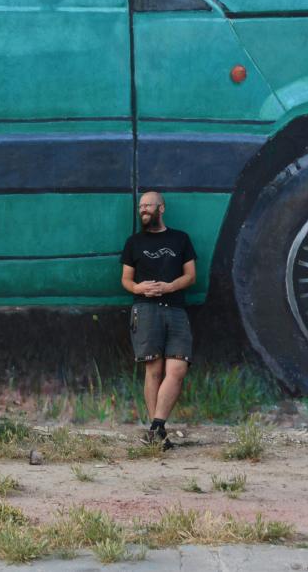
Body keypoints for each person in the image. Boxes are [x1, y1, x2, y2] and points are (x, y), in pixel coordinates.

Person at [121, 190, 197, 449]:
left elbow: (190, 276)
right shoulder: (133, 242)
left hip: (176, 308)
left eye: (148, 206)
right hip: (145, 309)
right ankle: (157, 432)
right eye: (141, 206)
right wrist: (139, 289)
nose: (143, 210)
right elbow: (126, 280)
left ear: (161, 208)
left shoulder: (180, 239)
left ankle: (156, 426)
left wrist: (170, 287)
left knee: (178, 368)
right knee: (153, 369)